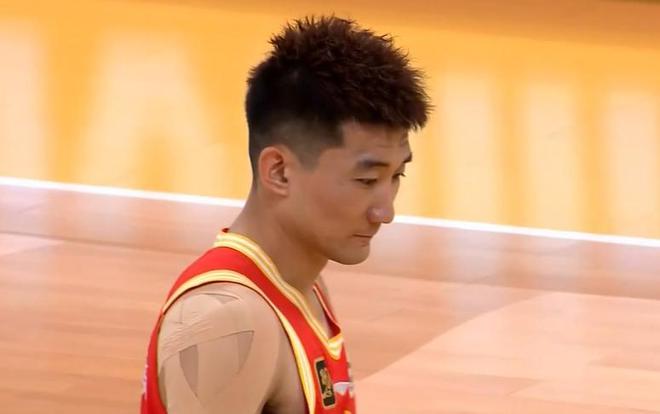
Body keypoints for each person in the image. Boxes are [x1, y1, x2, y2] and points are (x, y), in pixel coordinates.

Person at [140, 15, 430, 414]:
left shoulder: (303, 283)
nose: (386, 211)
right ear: (278, 171)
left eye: (396, 176)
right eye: (366, 180)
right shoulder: (227, 320)